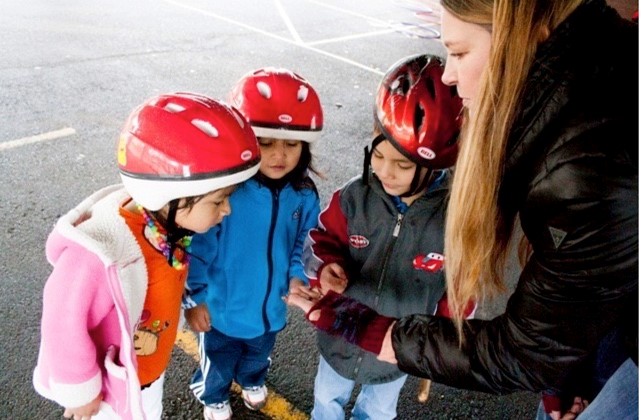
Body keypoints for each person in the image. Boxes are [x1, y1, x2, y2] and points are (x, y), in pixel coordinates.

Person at [286, 0, 638, 418]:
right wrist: (563, 380)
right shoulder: (591, 107)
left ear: (520, 36)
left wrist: (357, 324)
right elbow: (581, 302)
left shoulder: (586, 170)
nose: (449, 75)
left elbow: (523, 350)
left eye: (459, 52)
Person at [32, 92, 261, 420]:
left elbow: (167, 277)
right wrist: (79, 389)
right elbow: (62, 318)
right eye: (219, 200)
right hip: (108, 391)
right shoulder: (102, 252)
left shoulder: (166, 229)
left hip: (147, 373)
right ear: (170, 195)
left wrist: (189, 304)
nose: (227, 209)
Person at [301, 53, 463, 420]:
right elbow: (321, 242)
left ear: (436, 161)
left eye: (403, 165)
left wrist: (441, 338)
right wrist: (327, 267)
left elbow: (461, 290)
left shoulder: (456, 220)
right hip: (340, 333)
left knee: (377, 412)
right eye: (379, 154)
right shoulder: (354, 198)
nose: (385, 173)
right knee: (327, 400)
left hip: (399, 346)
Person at [182, 67, 324, 420]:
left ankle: (251, 380)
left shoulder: (304, 195)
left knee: (258, 354)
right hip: (220, 308)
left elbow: (304, 245)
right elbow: (198, 247)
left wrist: (297, 277)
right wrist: (195, 297)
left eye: (291, 144)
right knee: (217, 359)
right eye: (266, 142)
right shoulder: (225, 194)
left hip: (269, 308)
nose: (280, 155)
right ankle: (213, 395)